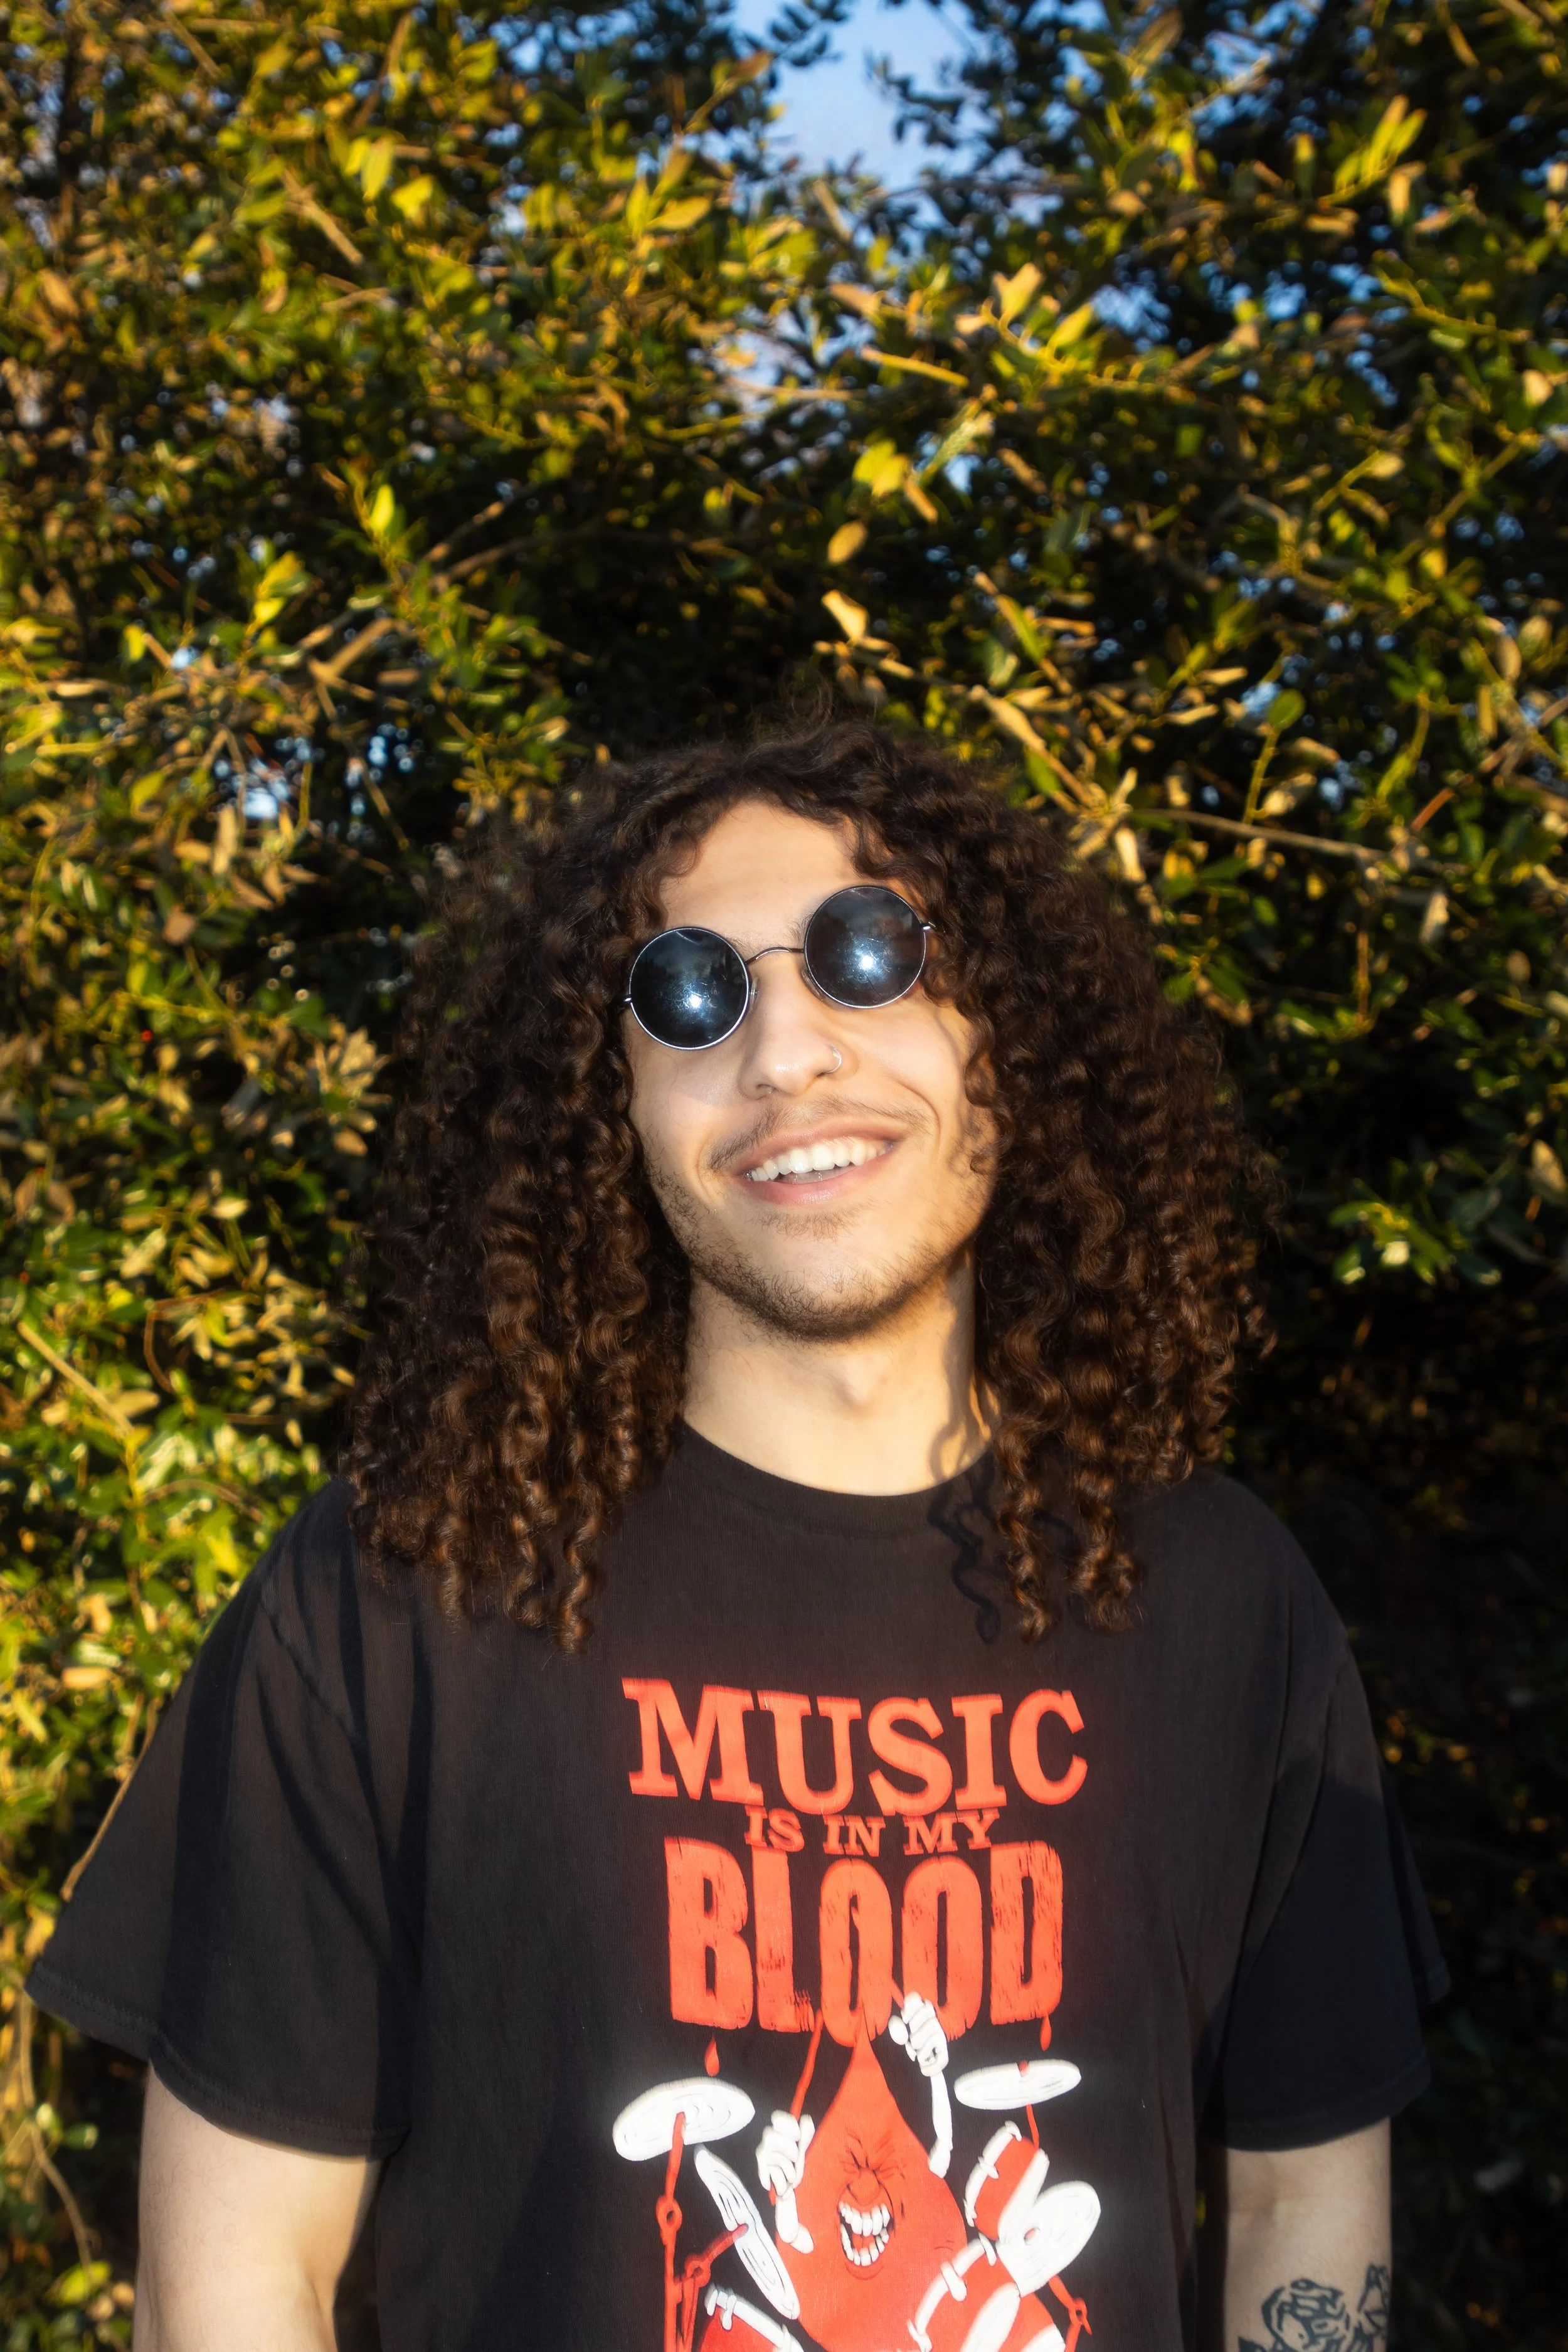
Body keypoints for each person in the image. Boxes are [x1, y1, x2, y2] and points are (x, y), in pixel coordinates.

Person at [29, 722, 1446, 2352]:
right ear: (614, 1106)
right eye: (690, 992)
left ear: (1004, 1034)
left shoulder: (1224, 1603)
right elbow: (241, 2274)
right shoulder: (394, 1595)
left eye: (869, 952)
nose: (784, 1054)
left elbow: (1299, 2206)